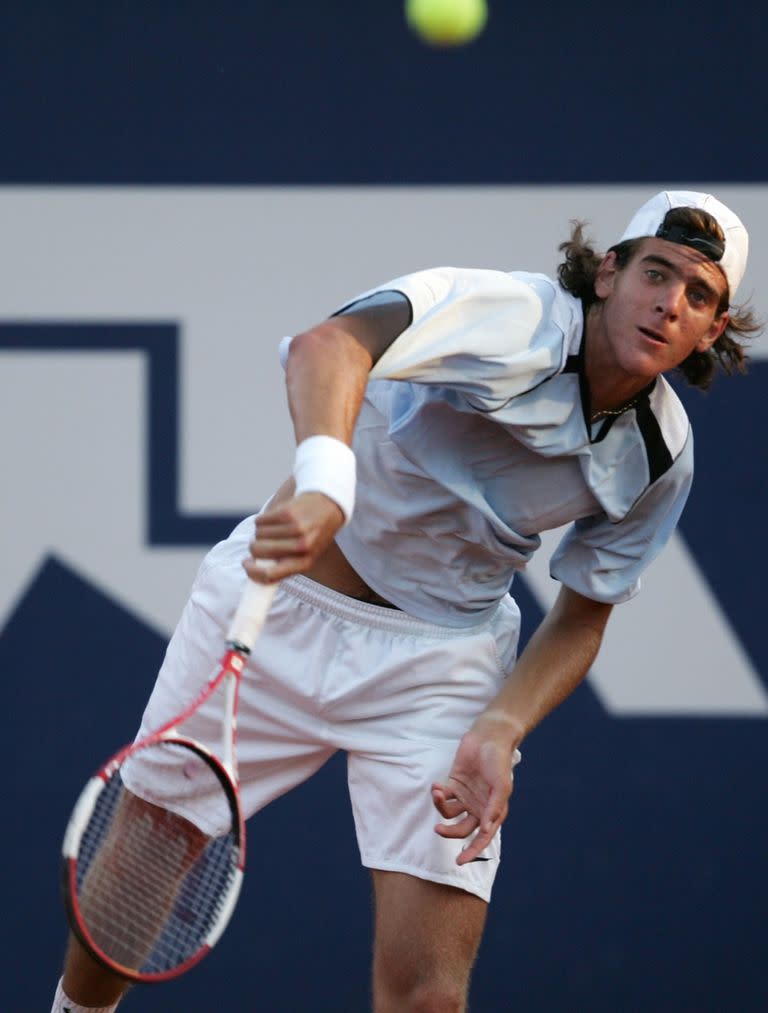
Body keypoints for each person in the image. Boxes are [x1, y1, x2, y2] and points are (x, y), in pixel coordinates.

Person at [51, 190, 759, 1013]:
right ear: (608, 274)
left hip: (439, 666)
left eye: (698, 295)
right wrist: (325, 481)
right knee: (147, 855)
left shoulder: (663, 454)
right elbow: (331, 345)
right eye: (655, 273)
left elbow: (582, 615)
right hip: (281, 606)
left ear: (711, 330)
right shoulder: (511, 317)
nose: (669, 301)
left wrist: (501, 725)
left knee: (429, 996)